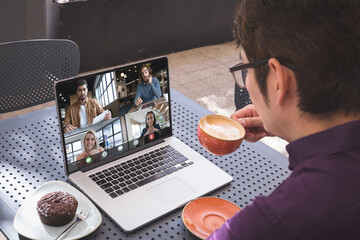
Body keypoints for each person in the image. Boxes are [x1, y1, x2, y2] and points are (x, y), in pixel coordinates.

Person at [208, 0, 360, 239]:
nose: (246, 82)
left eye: (245, 69)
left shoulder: (271, 222)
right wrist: (288, 124)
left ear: (278, 79)